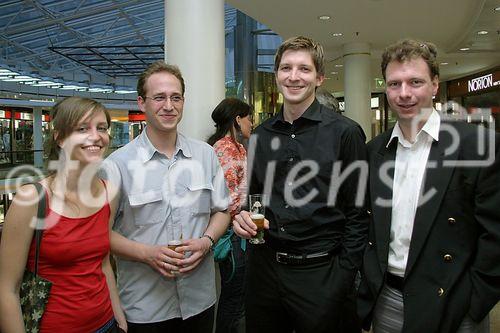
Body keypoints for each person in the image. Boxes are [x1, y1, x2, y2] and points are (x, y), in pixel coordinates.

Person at [357, 39, 500, 333]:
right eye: (394, 84)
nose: (404, 93)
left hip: (454, 303)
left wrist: (475, 302)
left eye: (415, 82)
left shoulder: (477, 145)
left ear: (435, 84)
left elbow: (496, 233)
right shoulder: (374, 151)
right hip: (389, 301)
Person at [232, 36, 369, 332]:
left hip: (322, 273)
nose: (294, 77)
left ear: (319, 77)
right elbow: (254, 197)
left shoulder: (345, 133)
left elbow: (359, 213)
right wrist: (244, 219)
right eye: (286, 68)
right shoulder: (260, 136)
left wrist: (343, 276)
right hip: (265, 272)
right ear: (277, 75)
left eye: (304, 69)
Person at [102, 61, 231, 333]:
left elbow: (222, 210)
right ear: (142, 103)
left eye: (176, 97)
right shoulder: (118, 164)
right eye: (159, 97)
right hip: (145, 309)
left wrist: (206, 241)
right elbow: (101, 233)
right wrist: (146, 253)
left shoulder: (205, 155)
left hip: (200, 302)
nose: (169, 106)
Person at [0, 96, 126, 332]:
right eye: (82, 128)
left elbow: (103, 263)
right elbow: (7, 289)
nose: (96, 136)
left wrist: (118, 315)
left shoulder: (109, 192)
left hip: (106, 324)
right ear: (59, 137)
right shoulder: (32, 199)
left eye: (101, 128)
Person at [207, 97, 253, 333]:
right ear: (237, 119)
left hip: (242, 230)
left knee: (241, 295)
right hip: (231, 232)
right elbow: (225, 198)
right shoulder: (223, 149)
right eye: (248, 118)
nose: (251, 123)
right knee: (234, 298)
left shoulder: (240, 148)